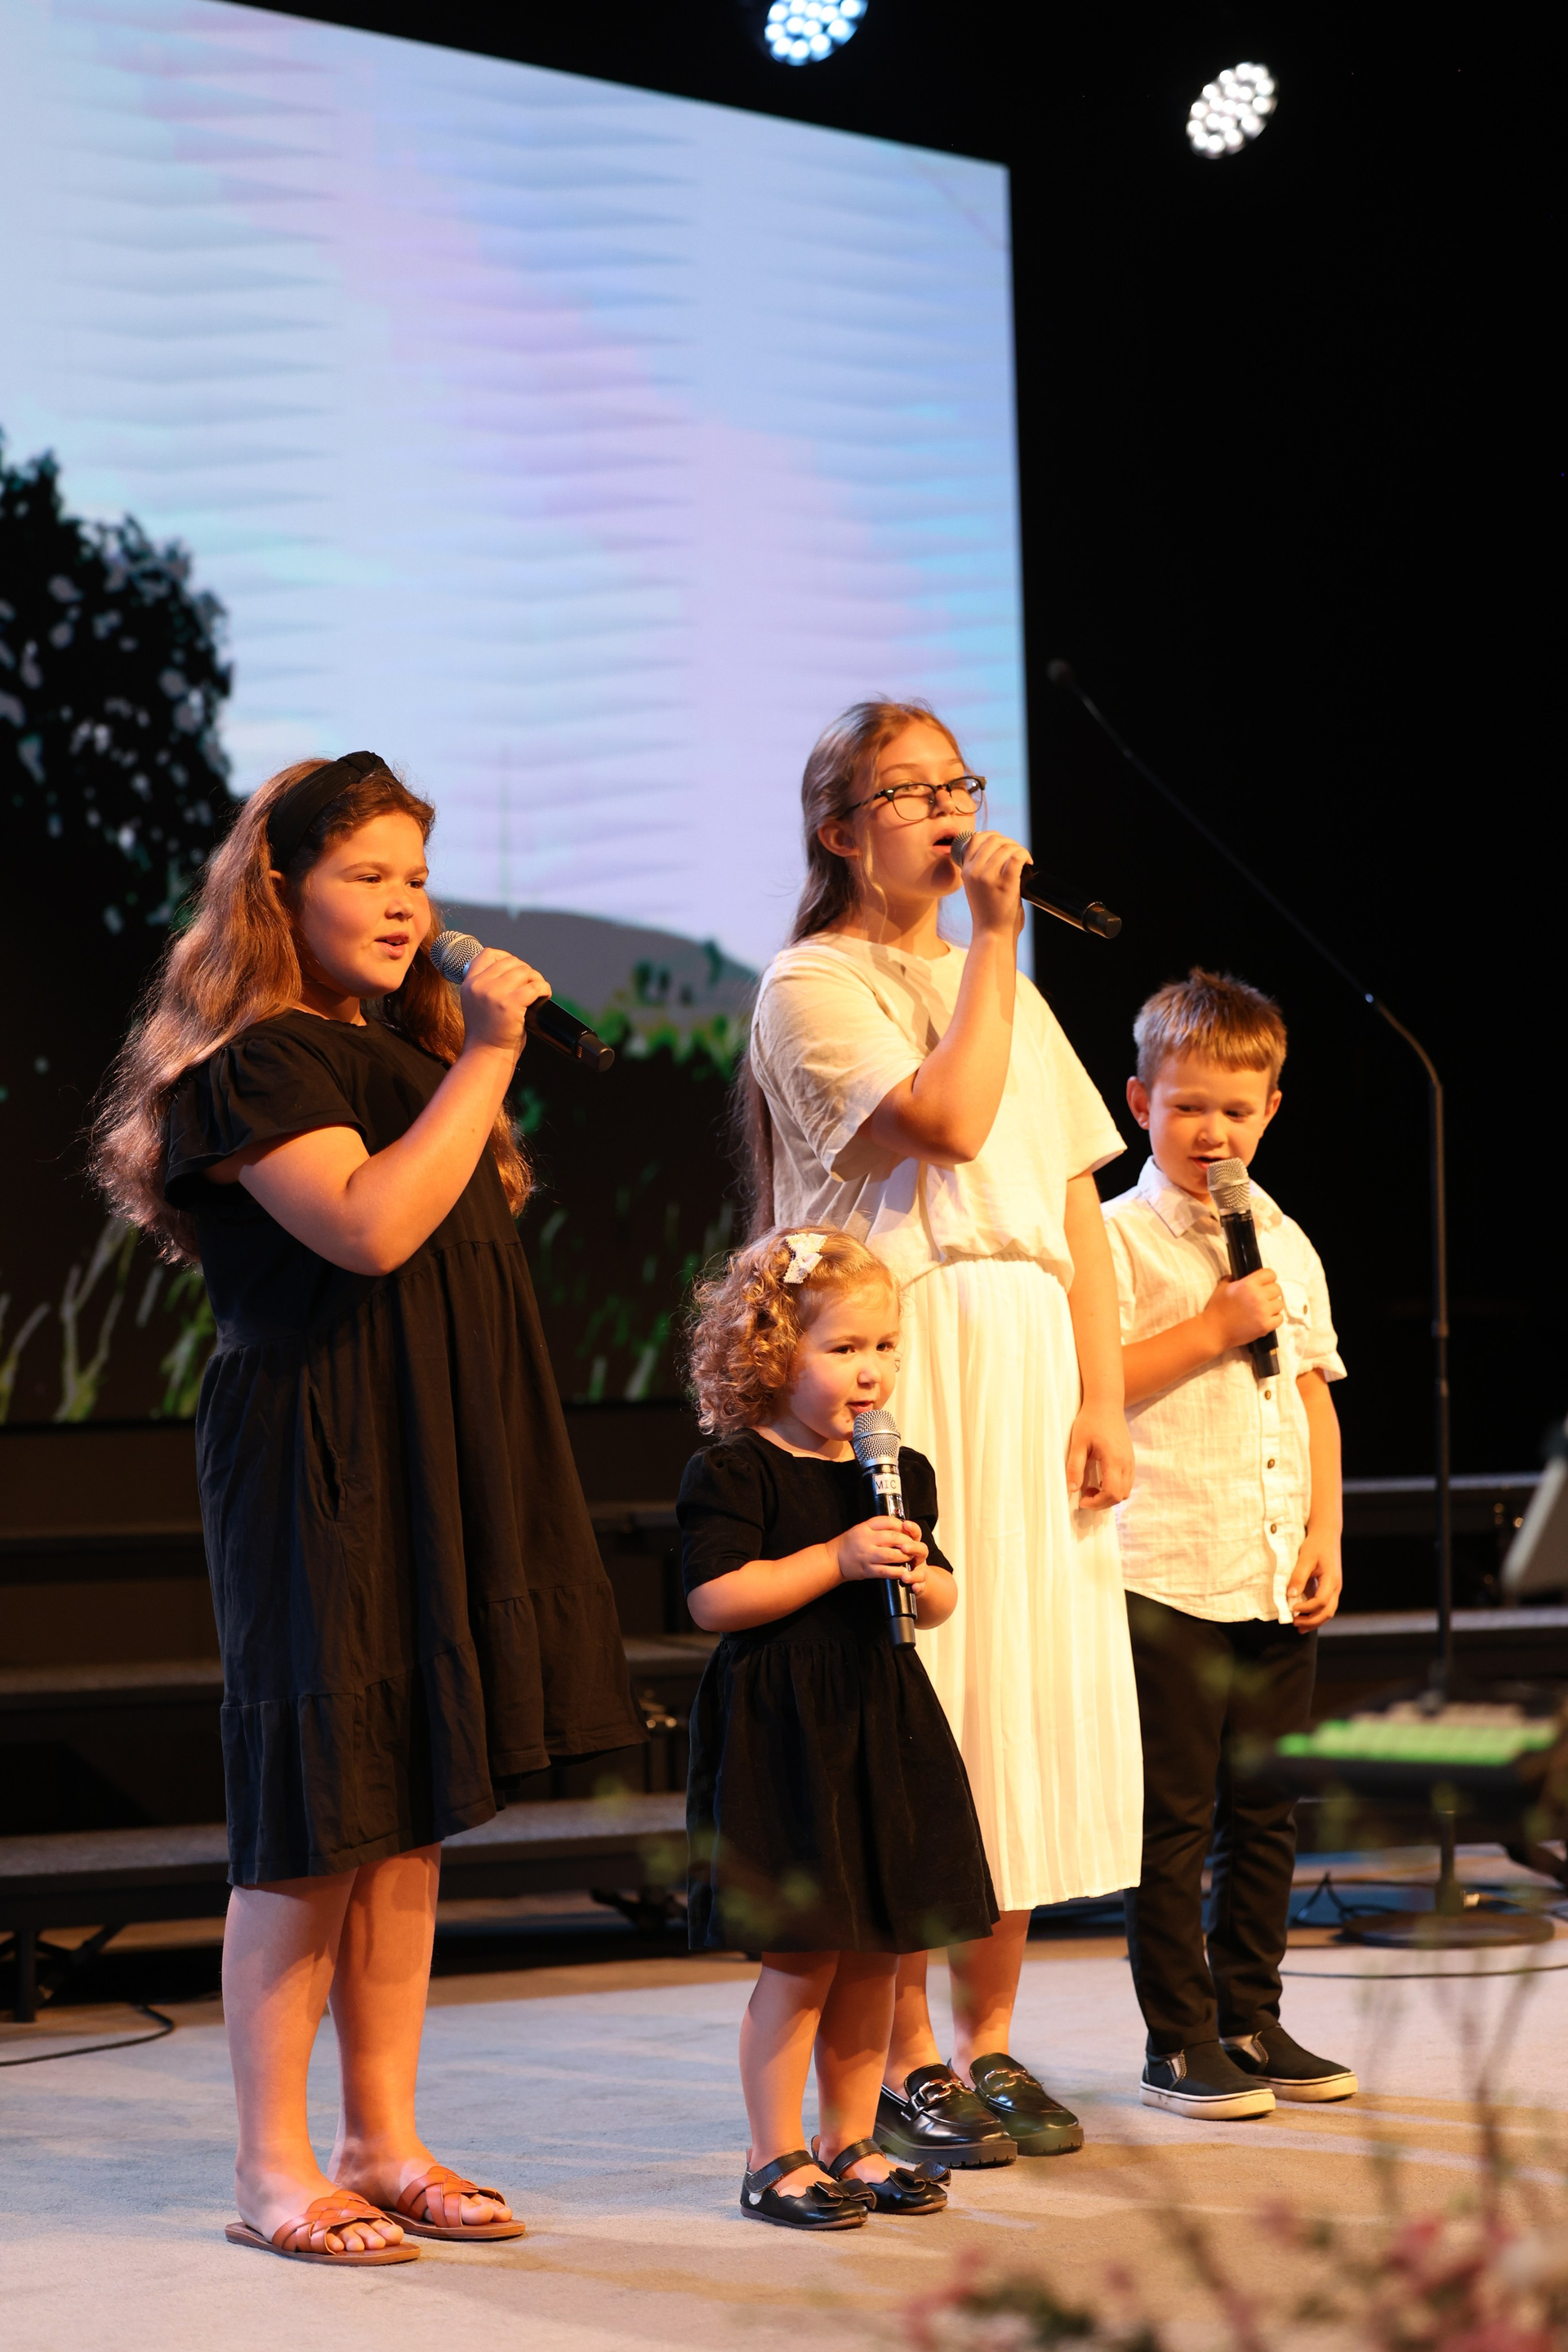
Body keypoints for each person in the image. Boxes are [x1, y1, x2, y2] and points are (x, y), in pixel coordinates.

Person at [93, 752, 644, 2264]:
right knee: (315, 1815)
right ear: (282, 890)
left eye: (418, 877)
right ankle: (273, 2168)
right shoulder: (256, 1063)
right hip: (317, 1451)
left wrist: (464, 1060)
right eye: (368, 877)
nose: (407, 907)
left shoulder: (402, 1052)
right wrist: (491, 1055)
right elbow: (369, 1225)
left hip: (432, 1440)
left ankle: (381, 2140)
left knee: (404, 1810)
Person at [740, 701, 1142, 2169]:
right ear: (842, 830)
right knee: (931, 1701)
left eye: (957, 784)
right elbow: (952, 1125)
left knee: (1022, 1692)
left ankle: (989, 2037)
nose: (949, 809)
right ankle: (903, 2051)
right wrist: (992, 941)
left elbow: (1076, 1209)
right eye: (910, 791)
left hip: (1031, 1357)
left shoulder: (1004, 982)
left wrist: (1104, 1394)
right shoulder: (813, 983)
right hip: (909, 1354)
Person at [679, 1225, 998, 2230]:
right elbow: (716, 1600)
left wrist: (924, 1578)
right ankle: (770, 2155)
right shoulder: (737, 1471)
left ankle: (849, 2139)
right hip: (785, 1734)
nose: (872, 1371)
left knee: (878, 1949)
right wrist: (838, 1559)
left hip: (881, 1718)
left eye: (885, 1347)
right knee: (804, 1953)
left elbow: (939, 1594)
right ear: (775, 1354)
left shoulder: (896, 1469)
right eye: (844, 1348)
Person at [1101, 968, 1356, 2118]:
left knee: (1267, 1809)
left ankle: (1252, 2014)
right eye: (1188, 1105)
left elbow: (1310, 1393)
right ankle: (1179, 2036)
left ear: (1272, 1111)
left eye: (1236, 1110)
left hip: (1267, 1564)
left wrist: (1324, 1531)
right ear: (1140, 1102)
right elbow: (1090, 1389)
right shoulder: (1117, 1241)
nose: (1213, 1131)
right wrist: (1212, 1328)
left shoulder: (1285, 1239)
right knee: (1175, 1818)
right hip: (1165, 1566)